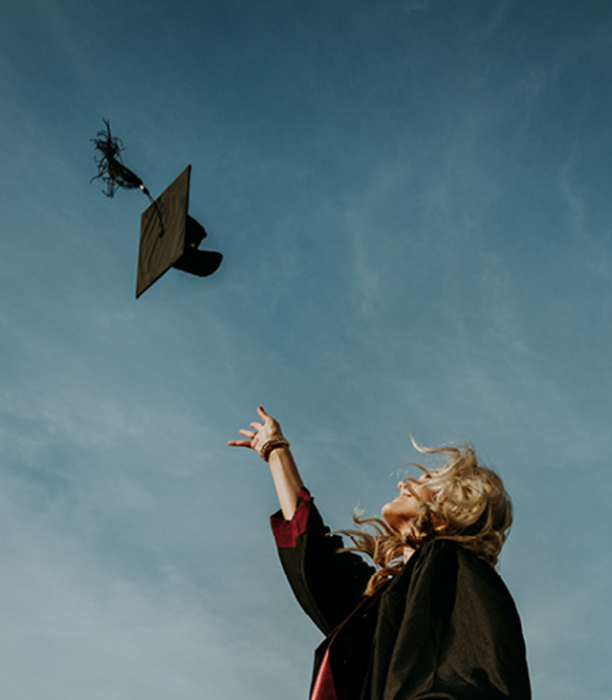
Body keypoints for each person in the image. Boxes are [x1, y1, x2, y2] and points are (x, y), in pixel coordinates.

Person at [229, 407, 531, 700]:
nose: (404, 482)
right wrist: (275, 449)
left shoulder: (455, 568)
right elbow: (316, 561)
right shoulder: (386, 599)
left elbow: (477, 680)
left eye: (427, 480)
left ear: (453, 505)